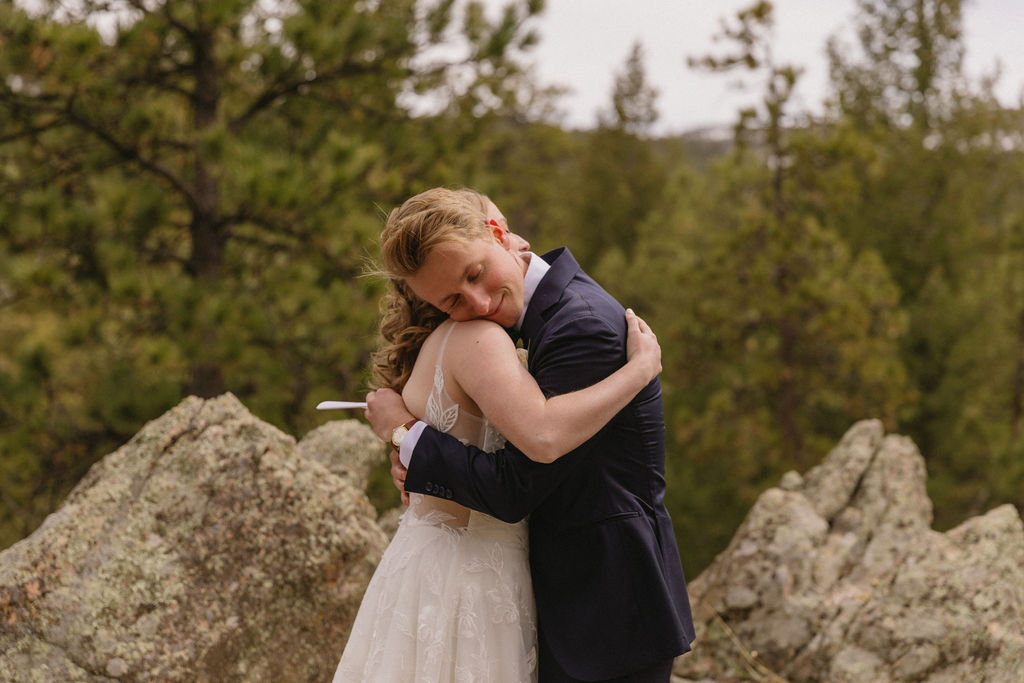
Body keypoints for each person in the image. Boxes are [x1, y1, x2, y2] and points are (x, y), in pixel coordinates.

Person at [365, 187, 696, 682]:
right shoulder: (538, 315)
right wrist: (419, 458)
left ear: (500, 233)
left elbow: (517, 482)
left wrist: (406, 435)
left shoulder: (578, 326)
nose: (477, 303)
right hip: (570, 604)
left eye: (476, 274)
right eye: (452, 299)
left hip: (608, 613)